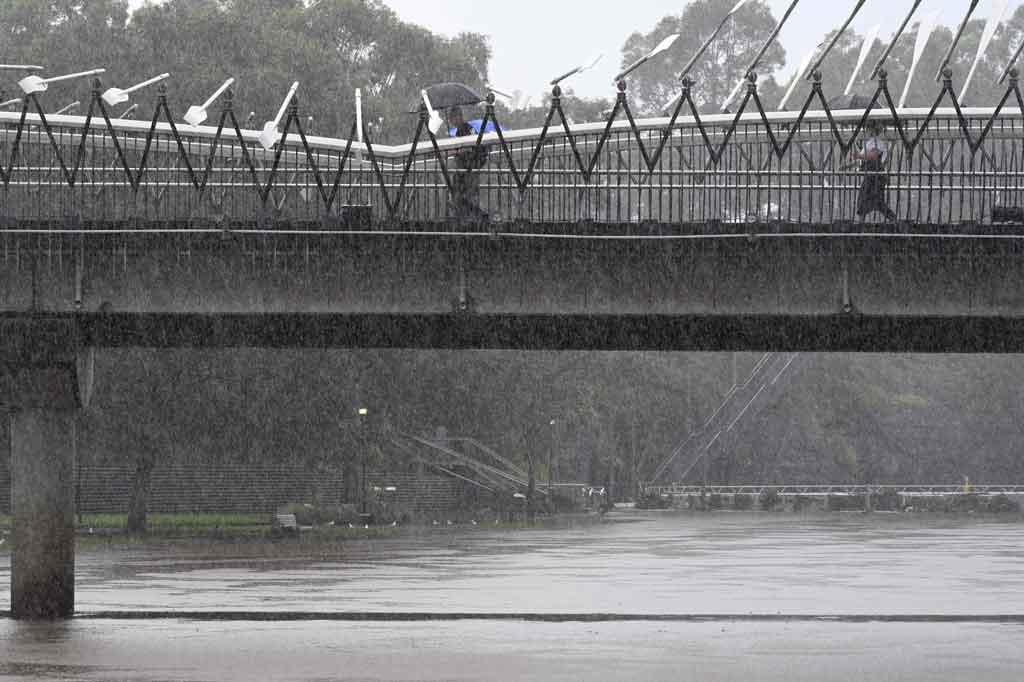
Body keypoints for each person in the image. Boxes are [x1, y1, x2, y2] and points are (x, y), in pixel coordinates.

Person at [447, 107, 488, 221]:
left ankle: (476, 217)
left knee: (465, 196)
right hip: (467, 168)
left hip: (470, 167)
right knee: (462, 196)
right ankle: (471, 217)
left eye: (453, 118)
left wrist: (455, 152)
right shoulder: (461, 131)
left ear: (459, 117)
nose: (452, 122)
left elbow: (470, 147)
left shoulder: (467, 130)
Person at [853, 120, 896, 222]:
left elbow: (873, 156)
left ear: (872, 130)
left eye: (868, 129)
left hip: (876, 176)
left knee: (872, 199)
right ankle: (892, 219)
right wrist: (847, 166)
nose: (866, 131)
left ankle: (861, 222)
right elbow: (863, 159)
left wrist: (859, 155)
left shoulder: (878, 143)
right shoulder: (869, 143)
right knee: (870, 199)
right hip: (872, 175)